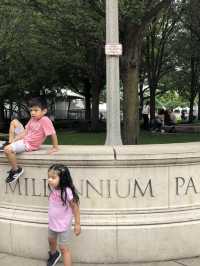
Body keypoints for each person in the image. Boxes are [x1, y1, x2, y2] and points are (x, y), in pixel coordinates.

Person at [4, 97, 59, 184]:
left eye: (36, 110)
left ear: (44, 111)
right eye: (31, 110)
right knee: (14, 123)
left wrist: (55, 147)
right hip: (25, 140)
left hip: (28, 145)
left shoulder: (45, 120)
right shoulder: (33, 119)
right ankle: (9, 143)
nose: (32, 113)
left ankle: (16, 170)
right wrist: (14, 140)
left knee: (7, 150)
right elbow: (26, 131)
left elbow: (52, 133)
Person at [47, 164, 81, 266]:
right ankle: (54, 254)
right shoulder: (53, 188)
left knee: (64, 248)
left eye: (53, 178)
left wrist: (77, 224)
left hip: (63, 224)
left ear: (62, 179)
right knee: (51, 240)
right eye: (49, 177)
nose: (49, 180)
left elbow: (75, 207)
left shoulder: (67, 191)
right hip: (52, 222)